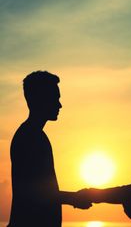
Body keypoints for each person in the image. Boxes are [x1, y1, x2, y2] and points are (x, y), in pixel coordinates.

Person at [7, 71, 92, 227]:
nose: (59, 105)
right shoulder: (29, 138)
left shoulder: (36, 136)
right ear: (40, 100)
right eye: (55, 98)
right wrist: (74, 198)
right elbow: (33, 195)